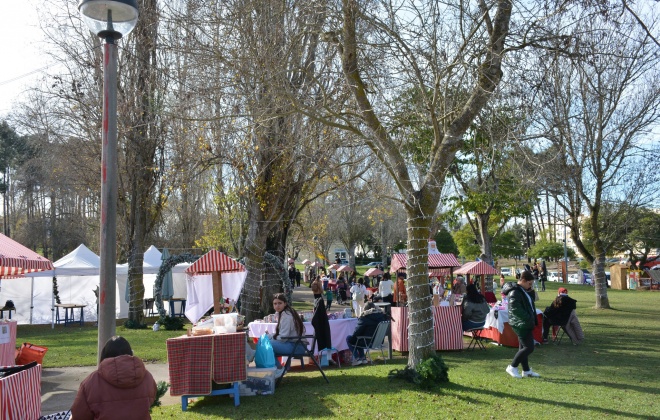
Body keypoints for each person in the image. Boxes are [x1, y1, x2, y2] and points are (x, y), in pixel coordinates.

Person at [71, 336, 156, 419]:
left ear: (104, 354)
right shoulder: (147, 377)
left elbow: (79, 415)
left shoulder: (90, 382)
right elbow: (151, 400)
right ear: (130, 353)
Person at [502, 270, 541, 379]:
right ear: (523, 280)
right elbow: (516, 309)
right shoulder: (515, 292)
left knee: (523, 347)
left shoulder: (521, 290)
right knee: (529, 348)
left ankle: (526, 370)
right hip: (521, 323)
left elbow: (529, 303)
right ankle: (512, 367)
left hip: (523, 322)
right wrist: (528, 318)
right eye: (529, 283)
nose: (530, 286)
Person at [270, 293, 307, 368]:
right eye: (275, 304)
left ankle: (279, 369)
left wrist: (271, 337)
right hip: (294, 344)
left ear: (285, 303)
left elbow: (284, 337)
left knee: (266, 346)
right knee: (265, 344)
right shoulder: (285, 313)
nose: (277, 305)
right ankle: (279, 369)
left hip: (297, 346)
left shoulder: (287, 315)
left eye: (280, 303)